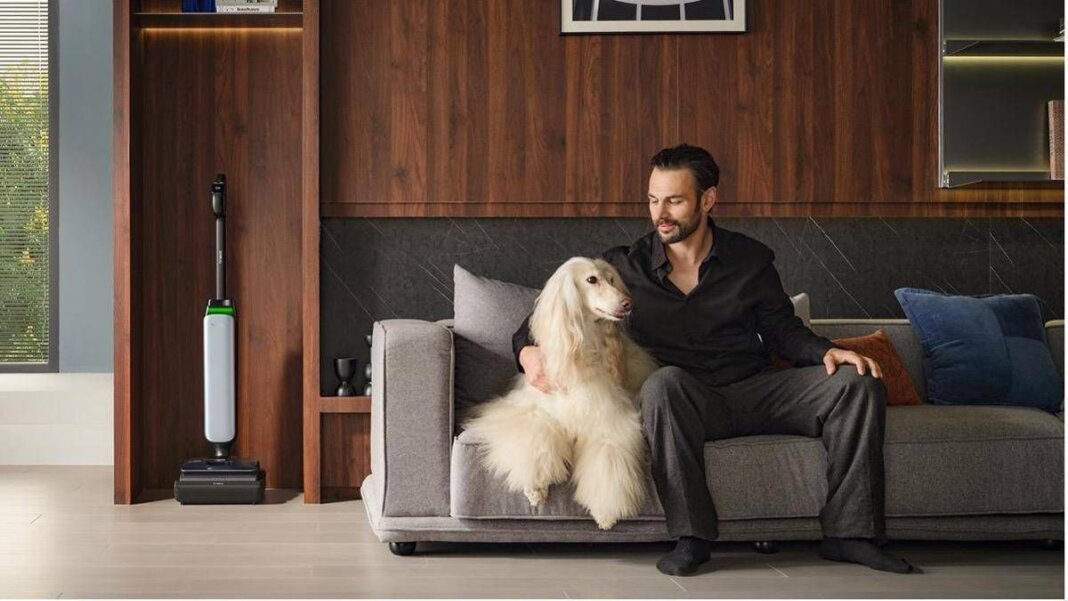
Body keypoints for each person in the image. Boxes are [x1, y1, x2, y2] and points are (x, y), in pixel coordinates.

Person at [511, 144, 915, 577]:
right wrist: (527, 352)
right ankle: (692, 537)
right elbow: (547, 315)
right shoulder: (624, 266)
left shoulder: (749, 259)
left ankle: (851, 534)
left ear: (707, 200)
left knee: (857, 383)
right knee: (662, 384)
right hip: (683, 399)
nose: (660, 213)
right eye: (653, 200)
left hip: (755, 390)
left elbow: (782, 329)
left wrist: (825, 351)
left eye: (674, 200)